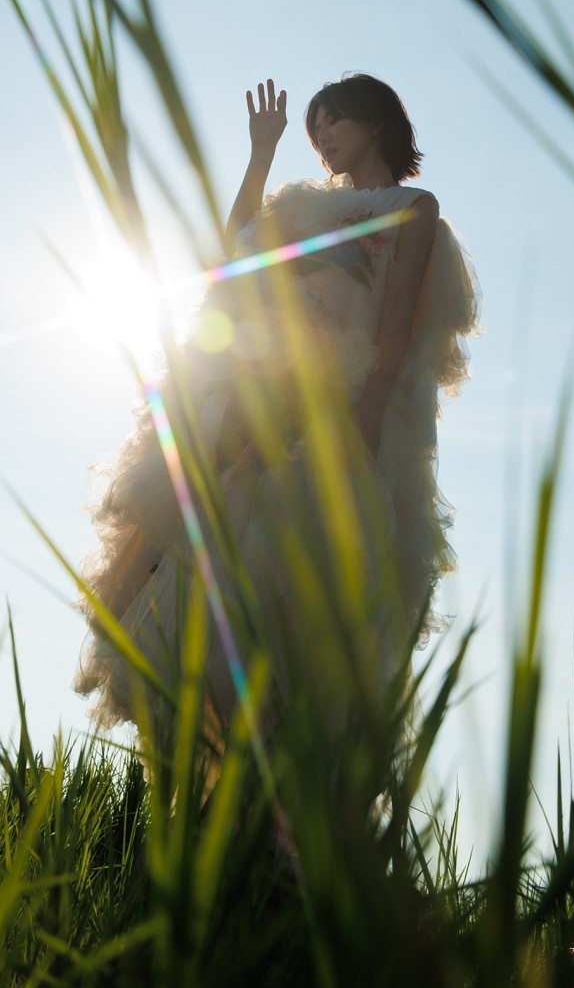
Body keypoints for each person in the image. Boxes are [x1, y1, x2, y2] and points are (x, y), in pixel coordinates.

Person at [73, 72, 482, 793]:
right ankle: (200, 795)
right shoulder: (306, 205)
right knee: (210, 573)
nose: (320, 134)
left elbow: (395, 325)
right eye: (313, 124)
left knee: (301, 588)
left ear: (376, 123)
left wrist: (367, 410)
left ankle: (284, 809)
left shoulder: (413, 209)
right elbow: (235, 252)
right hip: (270, 399)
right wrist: (261, 150)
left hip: (339, 404)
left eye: (334, 119)